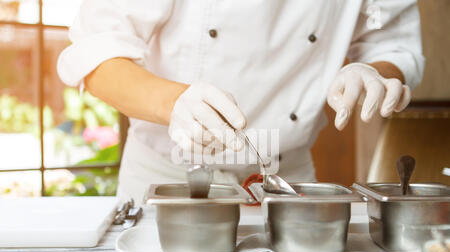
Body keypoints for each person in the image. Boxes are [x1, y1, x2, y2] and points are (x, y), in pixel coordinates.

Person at [57, 0, 424, 202]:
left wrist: (372, 70)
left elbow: (392, 41)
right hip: (165, 181)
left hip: (284, 183)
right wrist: (174, 102)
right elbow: (98, 54)